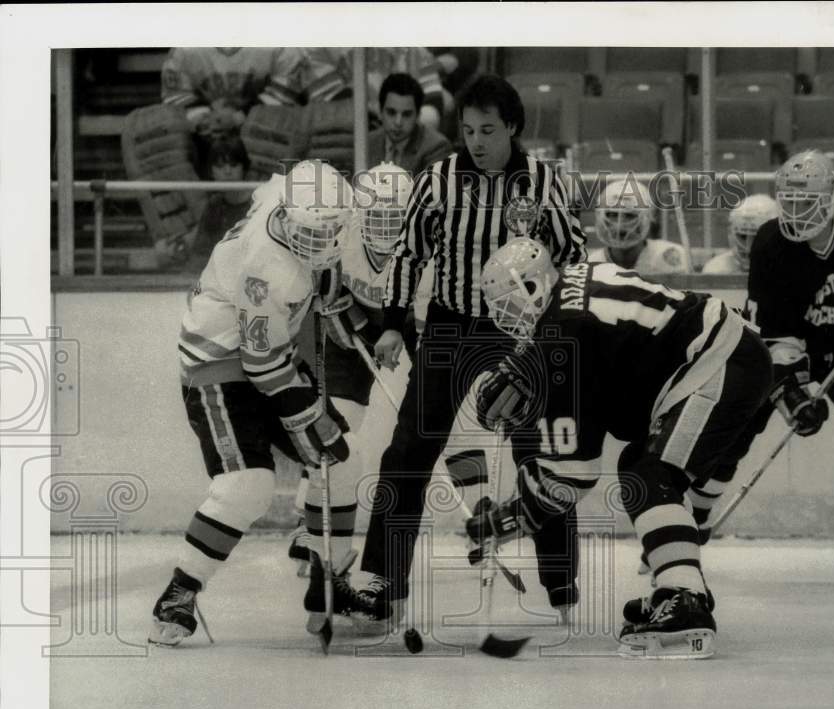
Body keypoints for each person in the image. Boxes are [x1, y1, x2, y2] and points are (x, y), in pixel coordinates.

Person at [352, 74, 587, 629]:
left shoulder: (545, 183)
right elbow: (409, 255)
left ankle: (560, 579)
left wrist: (563, 328)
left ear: (512, 127)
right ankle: (383, 581)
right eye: (467, 130)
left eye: (487, 130)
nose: (476, 141)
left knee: (542, 453)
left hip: (523, 334)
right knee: (408, 451)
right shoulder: (437, 179)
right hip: (450, 328)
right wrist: (391, 325)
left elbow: (575, 258)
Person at [469, 238, 772, 658]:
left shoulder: (561, 338)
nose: (506, 318)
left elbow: (574, 478)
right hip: (727, 352)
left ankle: (685, 600)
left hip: (719, 359)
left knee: (650, 474)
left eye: (509, 303)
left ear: (533, 288)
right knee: (640, 467)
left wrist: (507, 519)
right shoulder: (570, 294)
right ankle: (682, 585)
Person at [149, 160, 358, 646]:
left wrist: (324, 279)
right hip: (219, 361)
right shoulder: (262, 267)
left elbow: (307, 234)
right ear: (288, 216)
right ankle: (180, 591)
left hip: (270, 348)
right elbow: (261, 365)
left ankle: (327, 583)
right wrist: (309, 419)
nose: (322, 241)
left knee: (339, 461)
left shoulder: (285, 192)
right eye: (313, 232)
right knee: (248, 484)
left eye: (330, 231)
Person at [702, 150, 834, 579]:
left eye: (807, 202)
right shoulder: (771, 245)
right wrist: (793, 396)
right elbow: (775, 340)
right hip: (773, 348)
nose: (797, 213)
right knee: (732, 435)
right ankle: (686, 526)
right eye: (790, 202)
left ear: (832, 197)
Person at [285, 162, 414, 577]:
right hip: (350, 327)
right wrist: (348, 320)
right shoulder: (341, 236)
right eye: (375, 215)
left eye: (395, 217)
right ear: (359, 213)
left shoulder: (425, 248)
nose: (384, 227)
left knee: (431, 416)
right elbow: (326, 287)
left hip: (409, 323)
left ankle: (477, 500)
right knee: (337, 426)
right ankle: (309, 526)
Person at [161, 47, 305, 174]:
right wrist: (205, 120)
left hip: (264, 134)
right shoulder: (184, 50)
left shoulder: (281, 46)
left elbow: (286, 94)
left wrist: (240, 117)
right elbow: (175, 96)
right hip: (205, 139)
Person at [303, 47, 449, 131]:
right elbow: (336, 108)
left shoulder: (412, 47)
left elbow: (432, 107)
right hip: (345, 144)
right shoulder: (317, 47)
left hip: (404, 140)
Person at [586, 180, 690, 276]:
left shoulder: (667, 257)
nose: (620, 223)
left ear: (647, 219)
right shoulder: (591, 263)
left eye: (630, 215)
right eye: (612, 214)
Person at [367, 73, 453, 175]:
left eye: (406, 114)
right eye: (391, 113)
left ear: (418, 116)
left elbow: (430, 189)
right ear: (380, 112)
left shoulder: (437, 147)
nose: (398, 122)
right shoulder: (368, 143)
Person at [190, 135, 254, 262]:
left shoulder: (260, 203)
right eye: (220, 166)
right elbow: (200, 252)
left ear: (244, 168)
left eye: (234, 165)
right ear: (211, 172)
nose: (228, 171)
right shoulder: (214, 205)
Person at [701, 194, 780, 275]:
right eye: (743, 236)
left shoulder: (789, 269)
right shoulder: (717, 270)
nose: (749, 248)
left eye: (757, 238)